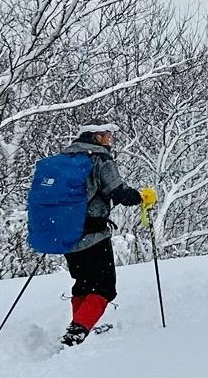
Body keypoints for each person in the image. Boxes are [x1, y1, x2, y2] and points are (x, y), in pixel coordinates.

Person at [59, 122, 157, 347]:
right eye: (106, 135)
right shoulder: (100, 159)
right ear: (95, 137)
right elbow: (119, 192)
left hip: (65, 231)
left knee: (83, 283)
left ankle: (81, 324)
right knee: (104, 287)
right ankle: (78, 332)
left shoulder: (65, 159)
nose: (110, 139)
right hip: (93, 234)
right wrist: (142, 197)